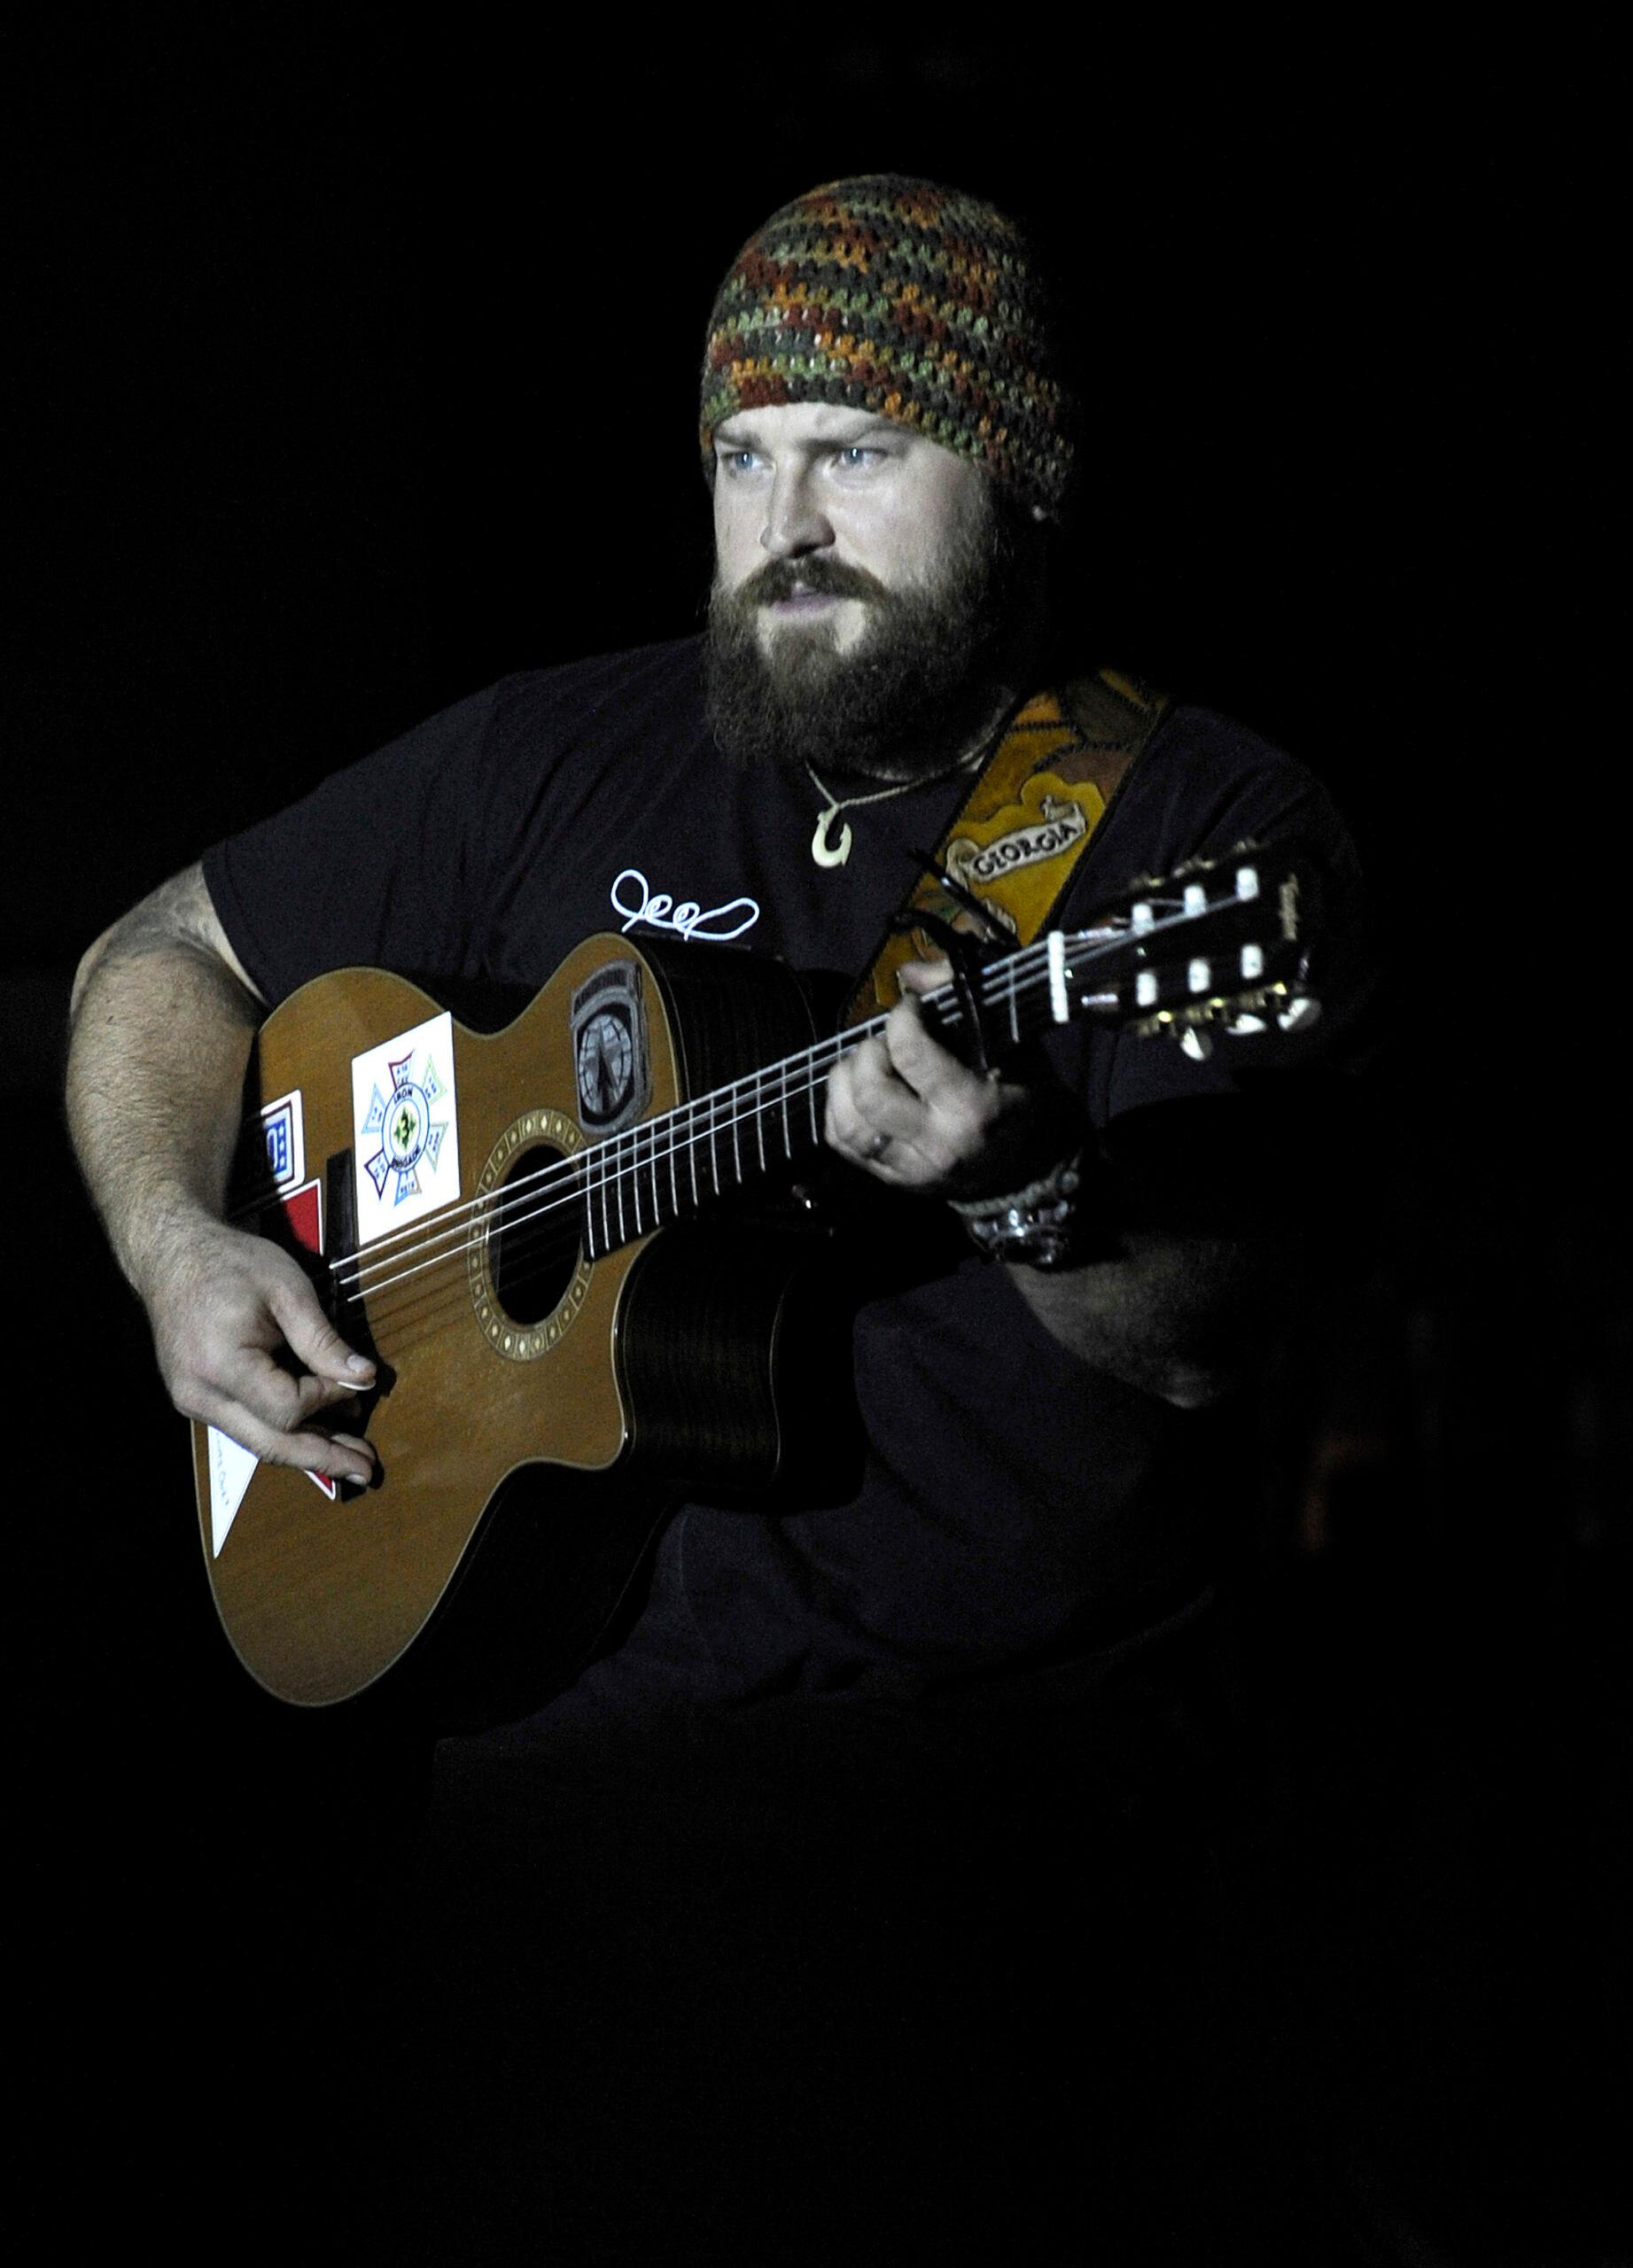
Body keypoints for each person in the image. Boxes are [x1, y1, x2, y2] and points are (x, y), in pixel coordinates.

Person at [68, 178, 1372, 2260]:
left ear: (1018, 482)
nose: (791, 522)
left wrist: (1022, 1181)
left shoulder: (1182, 829)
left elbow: (1220, 1330)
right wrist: (174, 1242)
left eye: (862, 449)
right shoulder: (550, 749)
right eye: (744, 460)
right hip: (553, 1800)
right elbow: (162, 954)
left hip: (992, 1827)